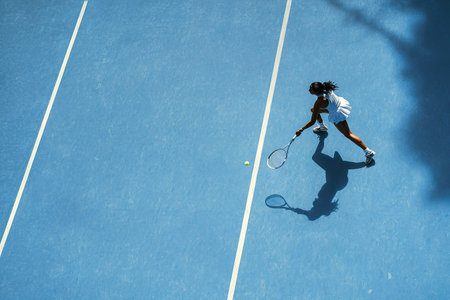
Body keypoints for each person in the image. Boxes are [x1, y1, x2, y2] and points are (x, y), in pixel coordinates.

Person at [296, 81, 376, 164]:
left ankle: (368, 152)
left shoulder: (319, 102)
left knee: (348, 134)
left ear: (316, 92)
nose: (309, 90)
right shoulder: (326, 89)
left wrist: (301, 129)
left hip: (336, 112)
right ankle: (322, 127)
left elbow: (312, 121)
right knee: (313, 110)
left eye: (311, 89)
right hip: (337, 104)